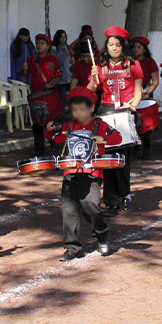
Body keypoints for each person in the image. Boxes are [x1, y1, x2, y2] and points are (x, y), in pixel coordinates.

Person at [45, 86, 121, 261]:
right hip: (70, 173)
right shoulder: (69, 126)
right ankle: (72, 246)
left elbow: (117, 137)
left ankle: (101, 234)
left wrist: (104, 139)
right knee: (70, 210)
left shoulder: (99, 124)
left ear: (92, 108)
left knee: (92, 206)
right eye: (75, 109)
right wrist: (49, 130)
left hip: (92, 173)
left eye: (82, 109)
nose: (78, 113)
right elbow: (55, 137)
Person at [88, 26, 143, 216]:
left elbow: (138, 90)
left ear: (123, 46)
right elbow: (90, 91)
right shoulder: (101, 66)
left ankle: (125, 195)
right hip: (105, 114)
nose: (114, 48)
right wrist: (94, 75)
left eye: (117, 45)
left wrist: (133, 104)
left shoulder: (133, 64)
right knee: (108, 159)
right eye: (111, 45)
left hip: (125, 113)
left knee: (124, 159)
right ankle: (111, 200)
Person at [19, 33, 62, 155]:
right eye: (38, 43)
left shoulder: (53, 60)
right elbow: (22, 73)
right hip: (36, 94)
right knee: (37, 124)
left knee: (52, 122)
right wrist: (23, 68)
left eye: (42, 43)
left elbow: (59, 75)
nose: (39, 46)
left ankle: (54, 147)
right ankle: (39, 149)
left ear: (48, 46)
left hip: (50, 94)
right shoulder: (31, 59)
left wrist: (53, 84)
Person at [131, 36, 159, 159]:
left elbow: (155, 81)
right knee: (132, 122)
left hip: (145, 93)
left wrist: (147, 93)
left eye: (139, 47)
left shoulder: (149, 62)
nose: (136, 49)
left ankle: (146, 146)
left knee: (145, 122)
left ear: (144, 49)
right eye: (134, 47)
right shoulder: (128, 62)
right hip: (131, 94)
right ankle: (135, 147)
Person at [51, 29, 73, 107]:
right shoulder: (54, 48)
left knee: (70, 98)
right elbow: (56, 61)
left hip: (68, 77)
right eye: (61, 37)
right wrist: (65, 55)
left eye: (64, 37)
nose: (63, 39)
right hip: (60, 78)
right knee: (62, 99)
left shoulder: (67, 47)